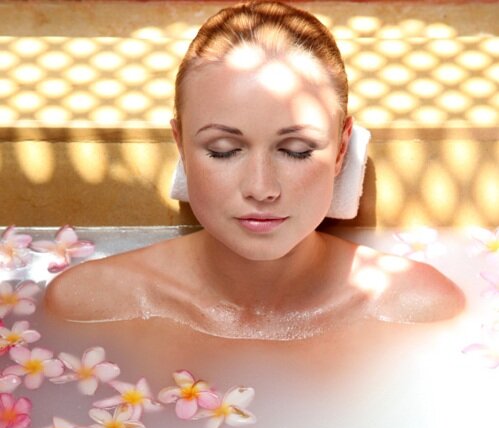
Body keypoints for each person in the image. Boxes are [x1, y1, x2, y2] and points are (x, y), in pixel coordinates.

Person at [45, 0, 464, 339]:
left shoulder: (418, 306)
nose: (261, 189)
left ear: (340, 149)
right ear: (181, 144)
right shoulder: (90, 303)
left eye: (297, 150)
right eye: (224, 150)